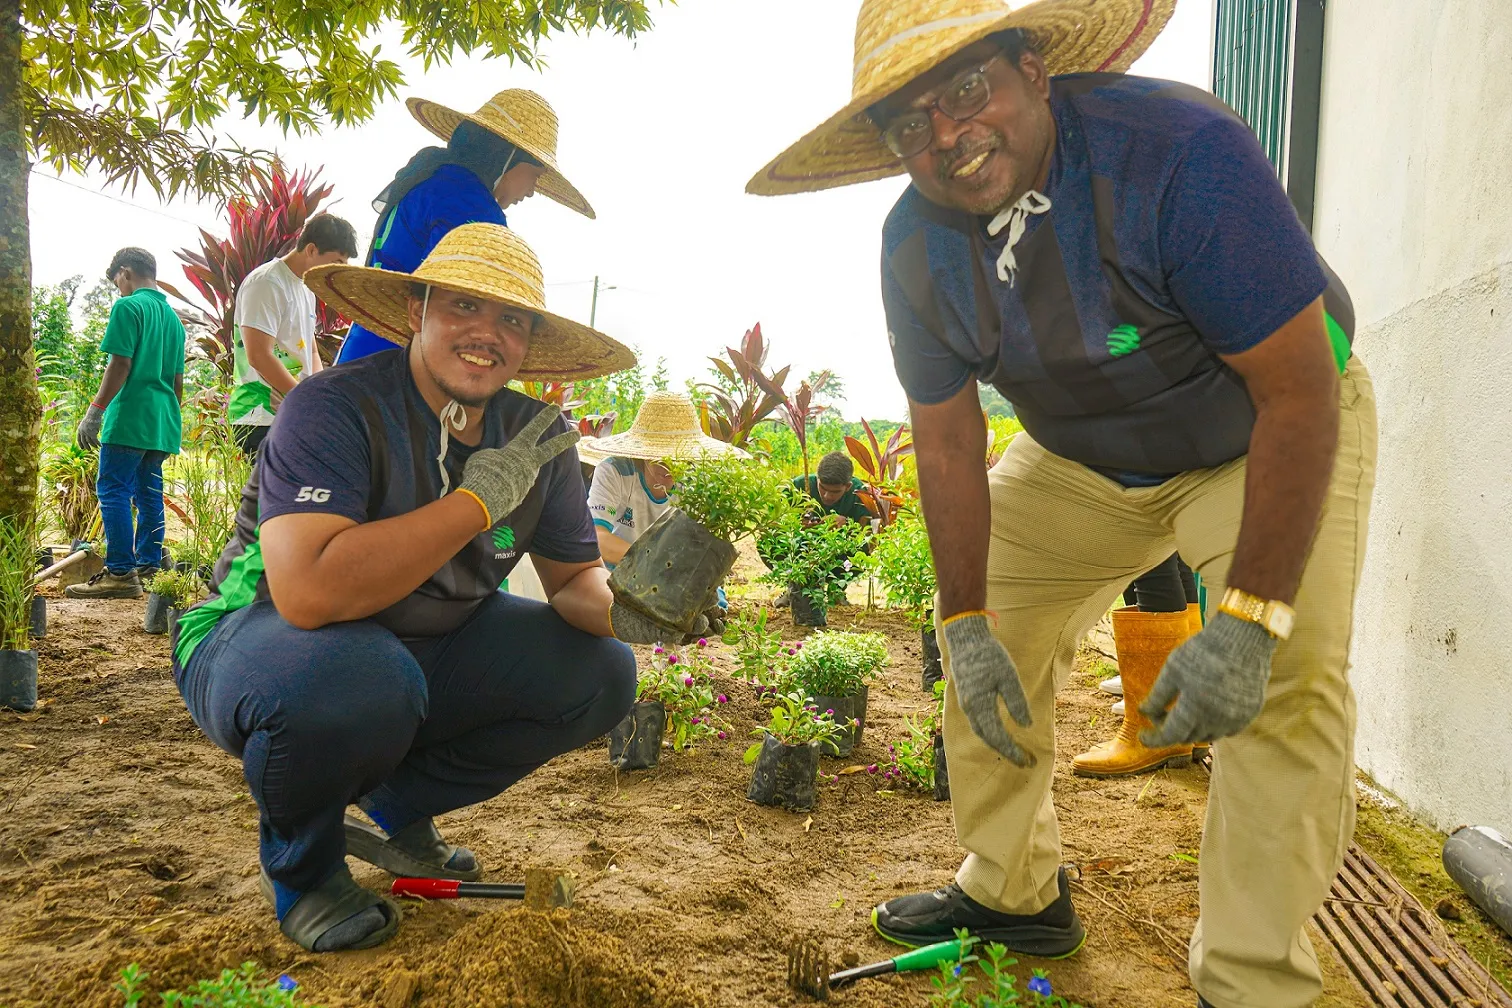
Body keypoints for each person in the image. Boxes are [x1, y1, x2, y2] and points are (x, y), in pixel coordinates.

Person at [748, 3, 1373, 1007]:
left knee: (1287, 676)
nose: (948, 135)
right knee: (982, 624)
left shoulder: (1179, 155)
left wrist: (1251, 619)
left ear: (1034, 71)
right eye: (912, 123)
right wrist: (963, 621)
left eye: (965, 92)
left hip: (1257, 431)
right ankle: (1012, 891)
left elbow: (1297, 389)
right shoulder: (914, 248)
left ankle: (1254, 981)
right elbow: (948, 443)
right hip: (1081, 457)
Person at [170, 223, 701, 953]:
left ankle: (396, 798)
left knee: (602, 673)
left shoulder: (536, 435)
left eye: (512, 319)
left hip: (425, 645)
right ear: (417, 311)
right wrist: (476, 504)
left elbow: (575, 580)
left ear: (528, 343)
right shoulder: (333, 405)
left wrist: (641, 615)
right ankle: (305, 865)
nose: (487, 333)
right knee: (363, 679)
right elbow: (308, 594)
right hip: (256, 634)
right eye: (463, 308)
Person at [335, 89, 594, 364]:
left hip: (363, 344)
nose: (532, 191)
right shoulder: (472, 205)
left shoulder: (431, 178)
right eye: (535, 176)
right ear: (509, 157)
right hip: (402, 365)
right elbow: (461, 306)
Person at [68, 248, 187, 599]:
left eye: (117, 282)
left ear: (125, 272)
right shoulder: (173, 318)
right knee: (149, 493)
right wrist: (168, 419)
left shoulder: (129, 306)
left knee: (113, 489)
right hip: (163, 419)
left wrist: (95, 411)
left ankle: (121, 573)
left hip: (131, 414)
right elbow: (177, 380)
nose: (118, 289)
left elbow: (120, 364)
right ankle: (149, 567)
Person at [580, 390, 743, 630]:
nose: (665, 466)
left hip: (673, 574)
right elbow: (598, 539)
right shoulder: (615, 471)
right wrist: (658, 565)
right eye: (656, 456)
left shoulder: (697, 483)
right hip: (621, 568)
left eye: (675, 458)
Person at [229, 214, 359, 456]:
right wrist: (305, 400)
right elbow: (258, 355)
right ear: (311, 250)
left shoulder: (305, 288)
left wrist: (319, 395)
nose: (338, 272)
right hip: (261, 417)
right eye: (337, 262)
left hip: (293, 414)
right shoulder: (267, 282)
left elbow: (309, 350)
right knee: (272, 495)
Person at [791, 451, 881, 527]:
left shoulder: (860, 492)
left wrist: (847, 523)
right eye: (822, 488)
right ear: (817, 478)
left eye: (835, 492)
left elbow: (869, 530)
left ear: (848, 486)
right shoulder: (799, 485)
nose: (827, 496)